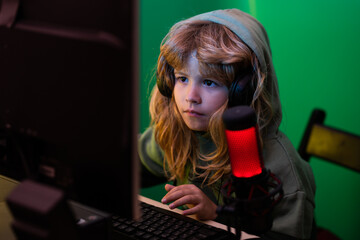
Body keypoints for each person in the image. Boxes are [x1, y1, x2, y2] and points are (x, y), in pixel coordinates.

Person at [138, 9, 316, 240]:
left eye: (209, 82)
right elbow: (129, 163)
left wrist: (215, 216)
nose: (191, 96)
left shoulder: (280, 167)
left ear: (243, 92)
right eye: (182, 78)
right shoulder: (179, 132)